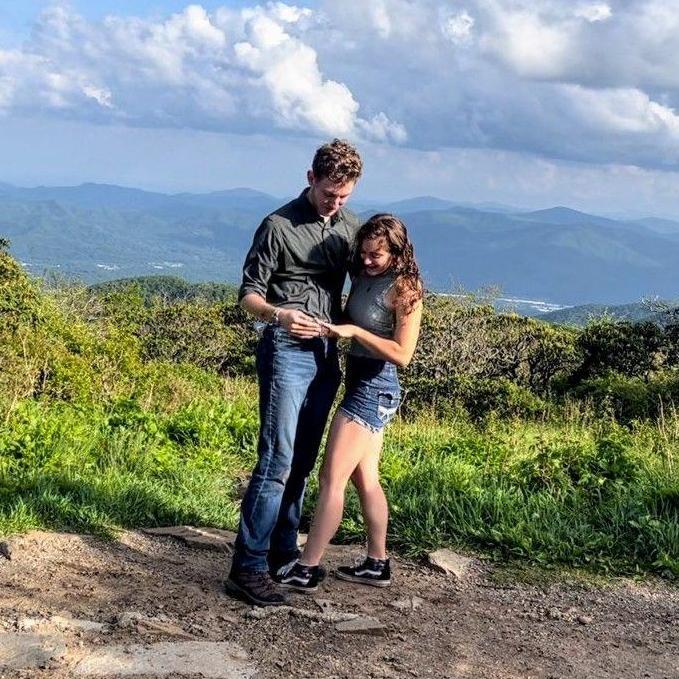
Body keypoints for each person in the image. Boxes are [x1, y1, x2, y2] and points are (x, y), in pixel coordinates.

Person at [225, 139, 363, 606]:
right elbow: (248, 295)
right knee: (277, 459)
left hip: (326, 349)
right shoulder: (278, 225)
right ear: (311, 178)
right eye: (329, 193)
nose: (335, 203)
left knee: (303, 461)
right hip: (286, 347)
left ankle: (283, 551)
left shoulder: (350, 227)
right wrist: (279, 315)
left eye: (344, 196)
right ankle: (247, 567)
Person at [274, 213, 423, 591]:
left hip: (375, 387)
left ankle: (307, 567)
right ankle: (377, 562)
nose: (367, 260)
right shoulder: (364, 276)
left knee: (331, 479)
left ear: (397, 252)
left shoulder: (406, 289)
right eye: (364, 253)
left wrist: (353, 331)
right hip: (359, 381)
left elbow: (403, 354)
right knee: (365, 478)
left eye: (377, 255)